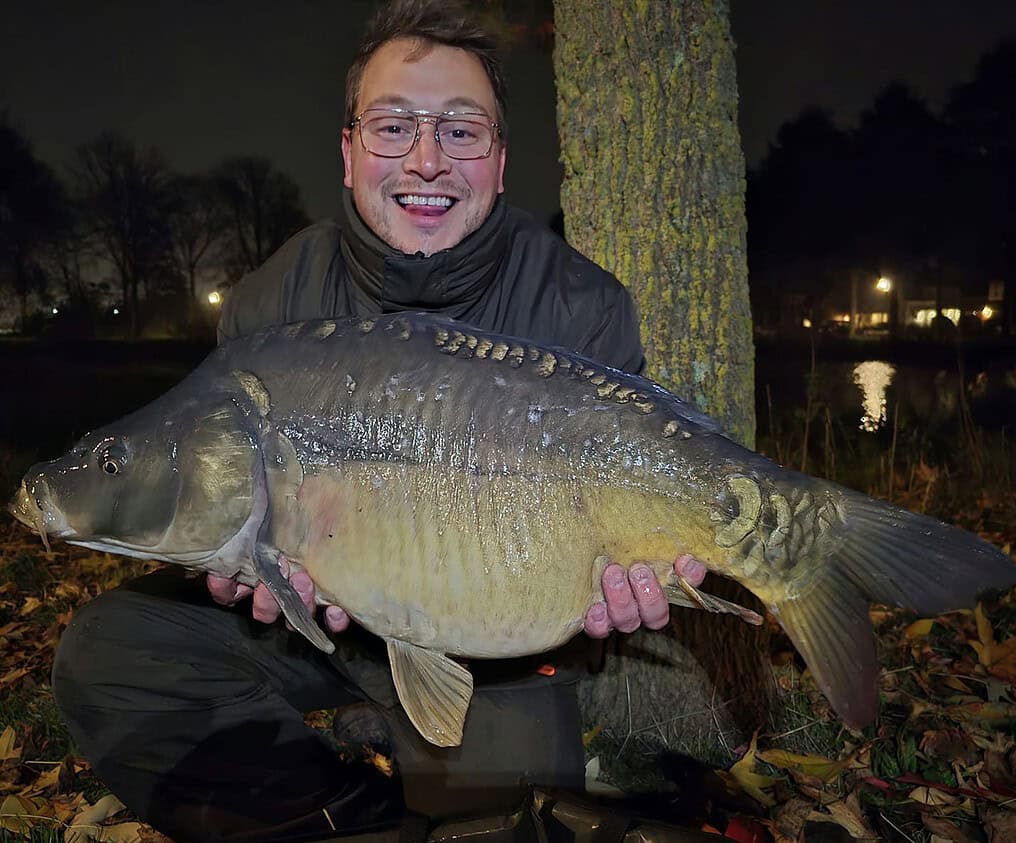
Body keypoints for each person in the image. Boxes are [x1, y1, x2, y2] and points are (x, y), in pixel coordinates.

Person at [52, 1, 707, 840]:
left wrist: (633, 580)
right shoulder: (271, 305)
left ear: (501, 162)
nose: (427, 160)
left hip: (500, 643)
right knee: (114, 654)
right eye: (394, 127)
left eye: (462, 132)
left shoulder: (579, 308)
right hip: (319, 635)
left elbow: (634, 504)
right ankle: (352, 820)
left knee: (505, 816)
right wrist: (238, 566)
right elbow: (231, 516)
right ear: (350, 150)